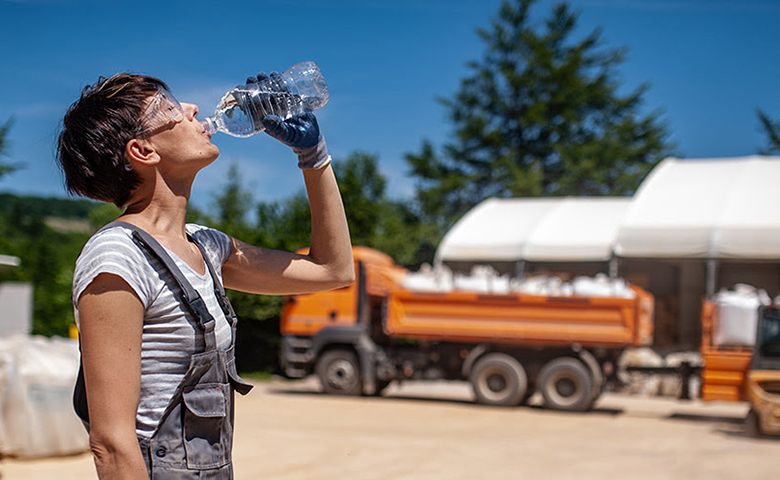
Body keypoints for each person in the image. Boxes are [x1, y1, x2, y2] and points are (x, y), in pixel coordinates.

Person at [56, 72, 354, 479]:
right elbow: (111, 443)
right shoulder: (118, 255)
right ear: (142, 150)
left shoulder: (206, 246)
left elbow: (333, 270)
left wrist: (314, 157)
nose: (193, 108)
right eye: (170, 108)